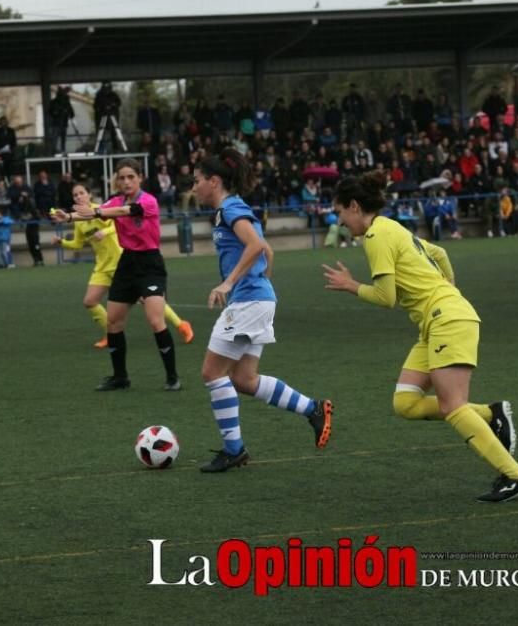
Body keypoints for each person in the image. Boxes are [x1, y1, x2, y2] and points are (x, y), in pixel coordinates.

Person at [322, 172, 518, 502]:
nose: (341, 220)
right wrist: (448, 287)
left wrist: (351, 285)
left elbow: (385, 297)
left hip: (447, 320)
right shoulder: (393, 226)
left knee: (452, 406)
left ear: (354, 206)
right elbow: (440, 255)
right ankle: (492, 416)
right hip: (438, 321)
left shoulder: (376, 235)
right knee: (405, 403)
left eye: (340, 212)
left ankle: (514, 476)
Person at [192, 148, 333, 472]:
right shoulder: (227, 210)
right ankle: (313, 409)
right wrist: (260, 283)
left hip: (249, 301)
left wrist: (231, 284)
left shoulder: (230, 207)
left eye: (197, 181)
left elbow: (257, 246)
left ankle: (234, 450)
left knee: (212, 373)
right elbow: (266, 251)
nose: (194, 187)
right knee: (243, 378)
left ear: (214, 181)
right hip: (256, 299)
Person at [56, 159, 180, 391]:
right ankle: (120, 377)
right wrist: (69, 217)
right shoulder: (114, 201)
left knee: (155, 320)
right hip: (127, 263)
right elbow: (97, 214)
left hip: (150, 263)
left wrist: (97, 211)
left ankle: (172, 376)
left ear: (140, 178)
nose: (126, 181)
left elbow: (124, 212)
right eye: (122, 177)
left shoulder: (148, 201)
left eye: (131, 176)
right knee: (113, 321)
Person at [53, 181, 194, 349]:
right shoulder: (80, 220)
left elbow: (119, 221)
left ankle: (181, 325)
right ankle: (109, 334)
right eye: (75, 195)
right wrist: (62, 241)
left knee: (146, 300)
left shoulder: (102, 208)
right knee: (90, 301)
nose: (79, 196)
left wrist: (104, 231)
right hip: (102, 266)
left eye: (82, 193)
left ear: (89, 194)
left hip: (120, 261)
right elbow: (77, 244)